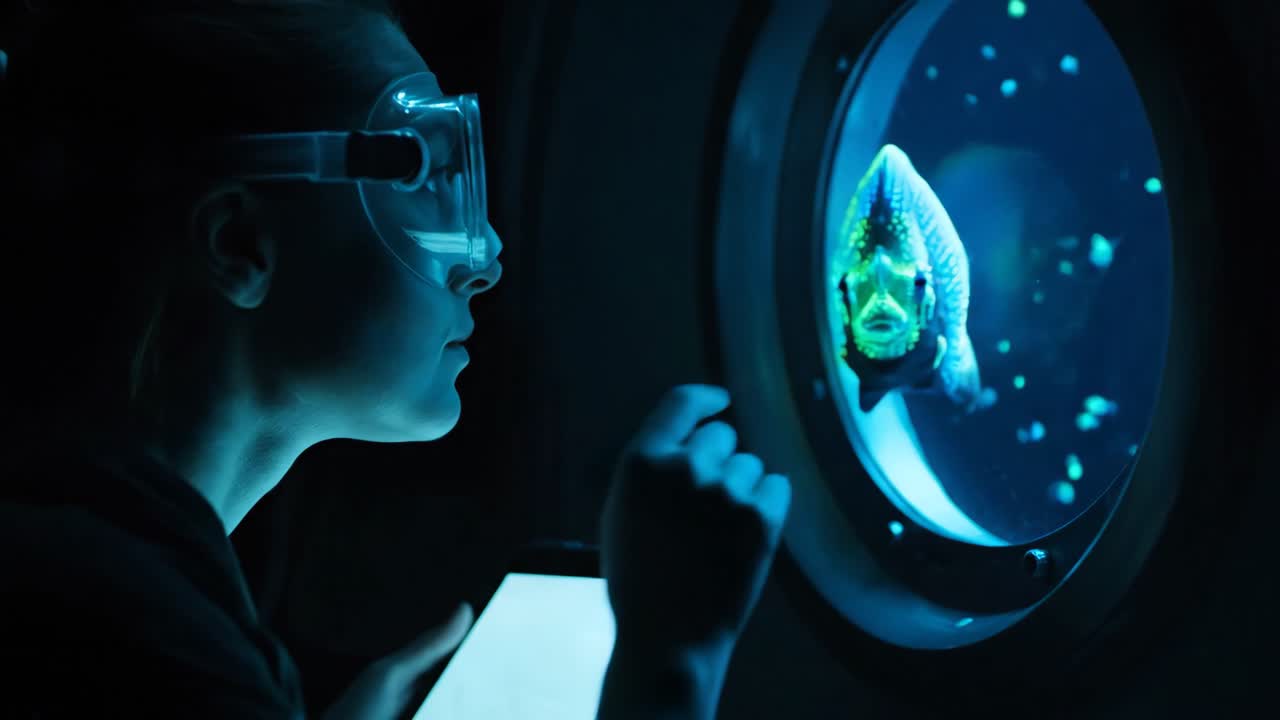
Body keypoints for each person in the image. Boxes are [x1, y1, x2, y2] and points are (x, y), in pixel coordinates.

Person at [0, 2, 792, 719]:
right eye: (421, 174)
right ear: (239, 244)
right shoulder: (135, 634)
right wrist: (672, 667)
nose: (485, 256)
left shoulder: (103, 574)